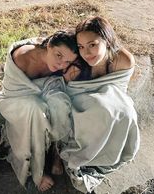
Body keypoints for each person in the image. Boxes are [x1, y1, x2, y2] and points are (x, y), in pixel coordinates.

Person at [59, 16, 140, 193]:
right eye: (81, 47)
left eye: (92, 44)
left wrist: (106, 100)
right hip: (81, 103)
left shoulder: (123, 60)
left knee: (125, 111)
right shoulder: (76, 66)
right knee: (100, 109)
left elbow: (119, 92)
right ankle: (78, 156)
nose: (86, 53)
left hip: (109, 101)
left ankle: (107, 156)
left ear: (107, 40)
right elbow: (66, 92)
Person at [0, 30, 78, 192]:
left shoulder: (62, 61)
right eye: (58, 55)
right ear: (48, 45)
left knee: (60, 103)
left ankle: (56, 152)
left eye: (67, 61)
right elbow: (14, 90)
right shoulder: (23, 58)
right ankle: (36, 171)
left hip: (46, 87)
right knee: (35, 110)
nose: (61, 64)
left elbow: (60, 79)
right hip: (17, 97)